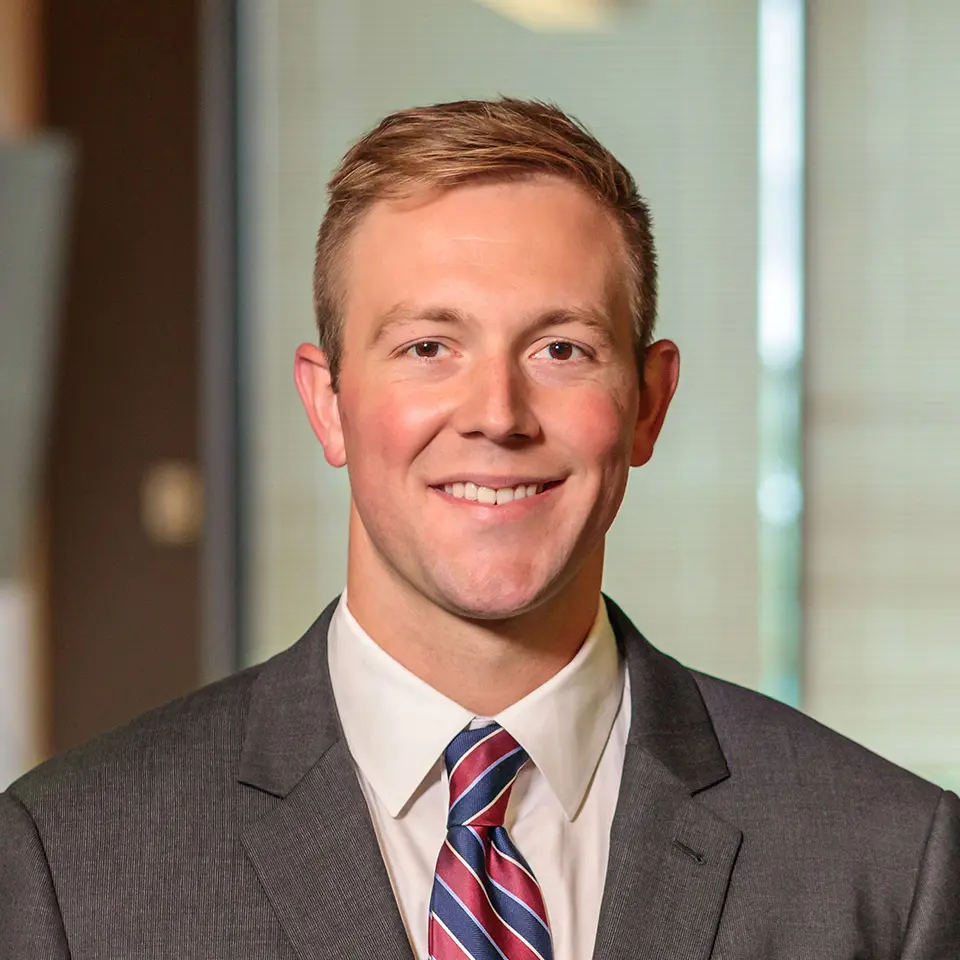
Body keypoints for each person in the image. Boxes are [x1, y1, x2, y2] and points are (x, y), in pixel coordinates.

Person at [1, 97, 957, 960]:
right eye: (428, 347)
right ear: (328, 405)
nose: (497, 412)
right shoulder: (69, 864)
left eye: (560, 348)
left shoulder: (888, 865)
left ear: (649, 404)